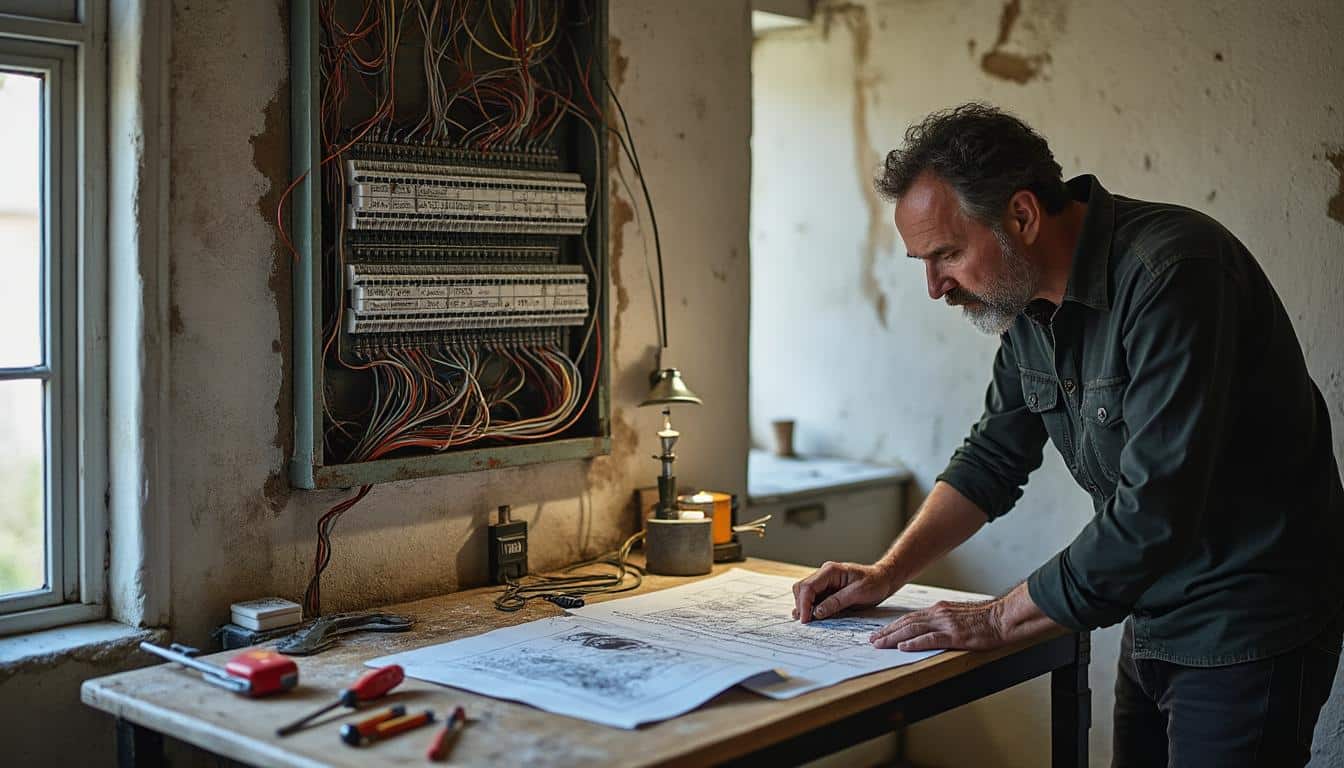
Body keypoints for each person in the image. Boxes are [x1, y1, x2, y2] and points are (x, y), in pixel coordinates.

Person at [790, 103, 1344, 767]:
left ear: (1022, 217)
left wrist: (995, 619)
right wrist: (888, 572)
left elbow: (1155, 512)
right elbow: (992, 458)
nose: (936, 287)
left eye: (947, 254)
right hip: (1152, 607)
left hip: (1248, 621)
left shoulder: (1177, 274)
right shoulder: (1023, 301)